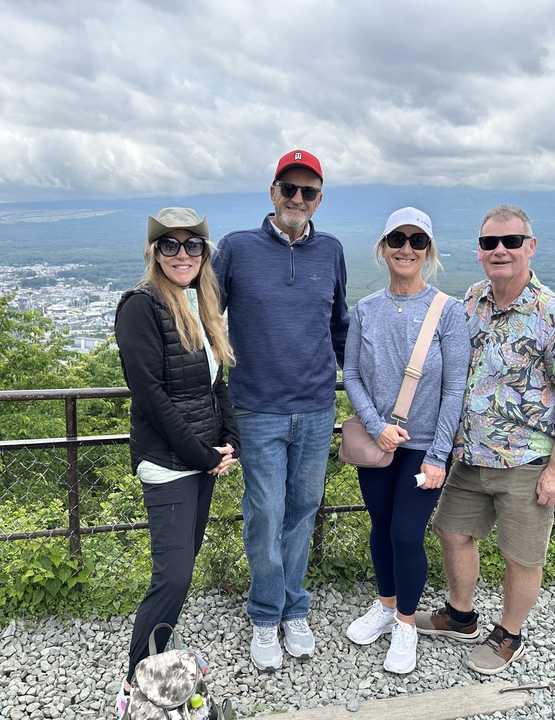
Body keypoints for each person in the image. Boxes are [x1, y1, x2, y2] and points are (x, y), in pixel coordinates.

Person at [414, 204, 555, 676]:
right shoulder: (472, 301)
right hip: (470, 455)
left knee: (522, 555)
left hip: (528, 460)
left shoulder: (553, 313)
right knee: (451, 530)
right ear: (479, 251)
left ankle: (510, 634)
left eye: (511, 241)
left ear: (530, 247)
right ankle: (461, 615)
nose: (500, 250)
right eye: (490, 242)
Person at [213, 150, 349, 672]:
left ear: (318, 199)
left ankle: (295, 608)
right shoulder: (237, 248)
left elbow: (339, 327)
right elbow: (209, 316)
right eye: (288, 189)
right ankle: (266, 614)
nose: (297, 199)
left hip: (315, 408)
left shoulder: (331, 250)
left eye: (307, 192)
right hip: (257, 407)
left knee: (301, 512)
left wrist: (353, 388)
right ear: (272, 193)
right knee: (266, 512)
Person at [113, 207, 240, 715]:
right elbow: (150, 395)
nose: (182, 254)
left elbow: (216, 385)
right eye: (170, 245)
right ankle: (132, 686)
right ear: (154, 253)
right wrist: (202, 454)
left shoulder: (198, 302)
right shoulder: (140, 306)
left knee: (180, 568)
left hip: (201, 460)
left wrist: (231, 442)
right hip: (170, 465)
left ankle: (158, 664)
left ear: (205, 254)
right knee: (173, 576)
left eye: (193, 246)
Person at [342, 207, 470, 674]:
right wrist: (375, 425)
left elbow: (455, 387)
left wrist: (439, 453)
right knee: (380, 526)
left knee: (405, 532)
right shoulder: (367, 309)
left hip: (423, 447)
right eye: (398, 238)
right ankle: (385, 603)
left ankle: (406, 623)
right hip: (380, 441)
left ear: (429, 251)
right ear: (383, 246)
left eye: (418, 241)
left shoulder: (448, 312)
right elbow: (351, 372)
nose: (406, 248)